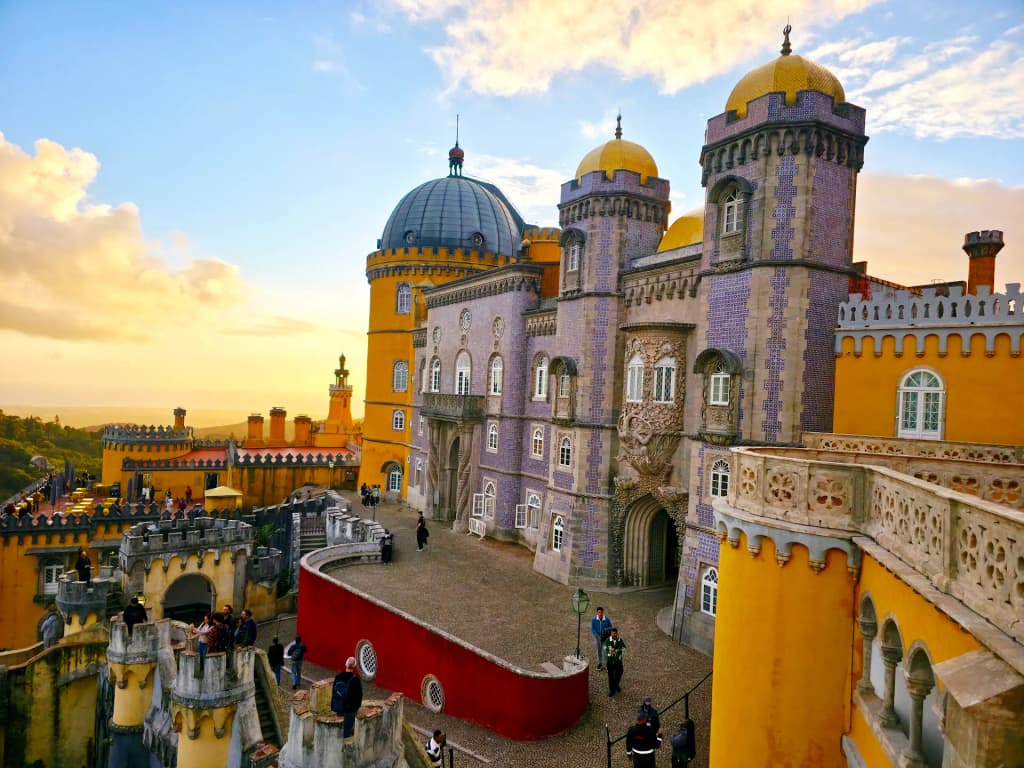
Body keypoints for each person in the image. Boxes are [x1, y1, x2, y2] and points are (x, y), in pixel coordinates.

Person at [331, 656, 363, 740]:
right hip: (350, 709)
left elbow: (334, 692)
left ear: (345, 664)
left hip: (339, 706)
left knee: (339, 727)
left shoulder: (338, 677)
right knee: (347, 730)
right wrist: (357, 707)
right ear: (354, 666)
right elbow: (359, 696)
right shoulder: (355, 679)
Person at [604, 626, 625, 697]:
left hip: (618, 661)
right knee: (611, 676)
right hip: (610, 661)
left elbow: (624, 648)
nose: (613, 635)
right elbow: (605, 647)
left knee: (620, 672)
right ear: (611, 634)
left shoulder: (620, 640)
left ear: (617, 633)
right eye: (612, 634)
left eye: (615, 634)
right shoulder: (608, 640)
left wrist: (617, 651)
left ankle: (616, 685)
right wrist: (609, 651)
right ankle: (612, 690)